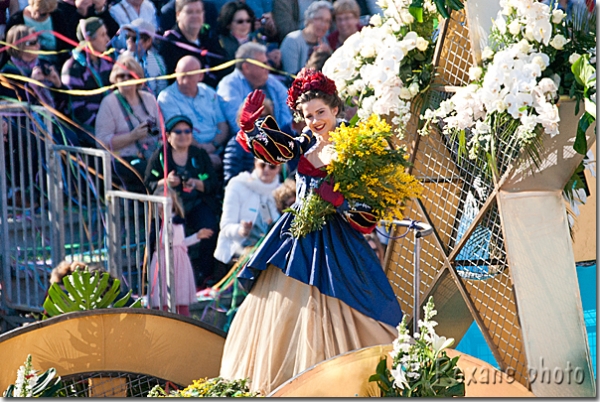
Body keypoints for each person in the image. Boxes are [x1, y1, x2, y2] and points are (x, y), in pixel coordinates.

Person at [219, 69, 403, 394]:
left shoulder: (353, 146)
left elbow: (369, 213)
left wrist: (339, 199)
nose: (316, 120)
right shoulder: (303, 141)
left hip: (337, 242)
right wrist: (249, 128)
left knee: (356, 306)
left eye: (321, 112)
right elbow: (277, 150)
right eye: (308, 115)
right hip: (297, 238)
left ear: (335, 109)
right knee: (285, 312)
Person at [144, 115, 220, 289]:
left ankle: (205, 275)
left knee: (209, 226)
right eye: (178, 132)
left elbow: (213, 184)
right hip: (171, 207)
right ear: (168, 136)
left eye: (187, 131)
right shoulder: (160, 156)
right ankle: (152, 280)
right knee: (156, 235)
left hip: (195, 203)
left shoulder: (199, 154)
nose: (183, 135)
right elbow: (148, 183)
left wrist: (196, 183)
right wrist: (166, 182)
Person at [95, 54, 161, 192]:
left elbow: (161, 130)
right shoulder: (109, 103)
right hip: (123, 159)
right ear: (115, 79)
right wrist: (132, 136)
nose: (125, 79)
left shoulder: (149, 99)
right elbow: (101, 142)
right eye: (121, 76)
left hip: (152, 154)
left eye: (130, 76)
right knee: (153, 173)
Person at [148, 185, 214, 316]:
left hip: (180, 261)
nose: (164, 203)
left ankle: (186, 323)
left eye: (167, 199)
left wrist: (197, 236)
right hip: (164, 261)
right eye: (161, 200)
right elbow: (161, 241)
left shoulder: (177, 220)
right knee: (163, 298)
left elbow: (181, 242)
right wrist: (164, 219)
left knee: (181, 298)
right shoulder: (157, 222)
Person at [157, 55, 229, 169]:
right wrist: (203, 152)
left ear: (200, 76)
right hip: (188, 151)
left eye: (190, 76)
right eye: (182, 75)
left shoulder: (209, 92)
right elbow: (178, 131)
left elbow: (222, 124)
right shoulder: (167, 98)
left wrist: (214, 145)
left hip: (218, 147)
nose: (185, 81)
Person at [214, 157, 281, 267]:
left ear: (279, 168)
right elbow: (225, 227)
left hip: (266, 255)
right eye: (262, 165)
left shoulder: (281, 191)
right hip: (236, 256)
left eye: (272, 166)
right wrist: (241, 230)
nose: (267, 169)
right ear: (255, 163)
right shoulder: (237, 184)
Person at [216, 41, 292, 135]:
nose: (268, 67)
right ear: (246, 67)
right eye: (263, 64)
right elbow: (238, 125)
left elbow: (287, 110)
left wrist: (280, 136)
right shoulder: (228, 85)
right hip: (247, 143)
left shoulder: (271, 81)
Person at [60, 16, 112, 148]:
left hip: (110, 120)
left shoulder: (106, 62)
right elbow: (77, 110)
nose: (107, 39)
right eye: (102, 35)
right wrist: (103, 125)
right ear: (89, 39)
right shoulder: (73, 67)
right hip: (87, 126)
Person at [159, 0, 225, 88]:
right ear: (178, 15)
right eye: (189, 12)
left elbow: (223, 67)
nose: (195, 16)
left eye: (198, 12)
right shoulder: (169, 43)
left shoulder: (209, 37)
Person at [5, 0, 71, 68]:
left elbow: (66, 47)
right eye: (39, 12)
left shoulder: (57, 16)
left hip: (55, 65)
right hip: (25, 68)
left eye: (47, 13)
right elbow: (10, 52)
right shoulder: (16, 20)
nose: (41, 15)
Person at [279, 0, 332, 76]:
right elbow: (291, 76)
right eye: (320, 19)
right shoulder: (293, 40)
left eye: (327, 21)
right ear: (309, 19)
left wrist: (328, 53)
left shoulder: (324, 41)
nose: (324, 25)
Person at [121, 18, 168, 96]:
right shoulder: (121, 60)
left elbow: (162, 89)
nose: (129, 40)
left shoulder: (158, 61)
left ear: (148, 41)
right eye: (127, 36)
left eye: (134, 38)